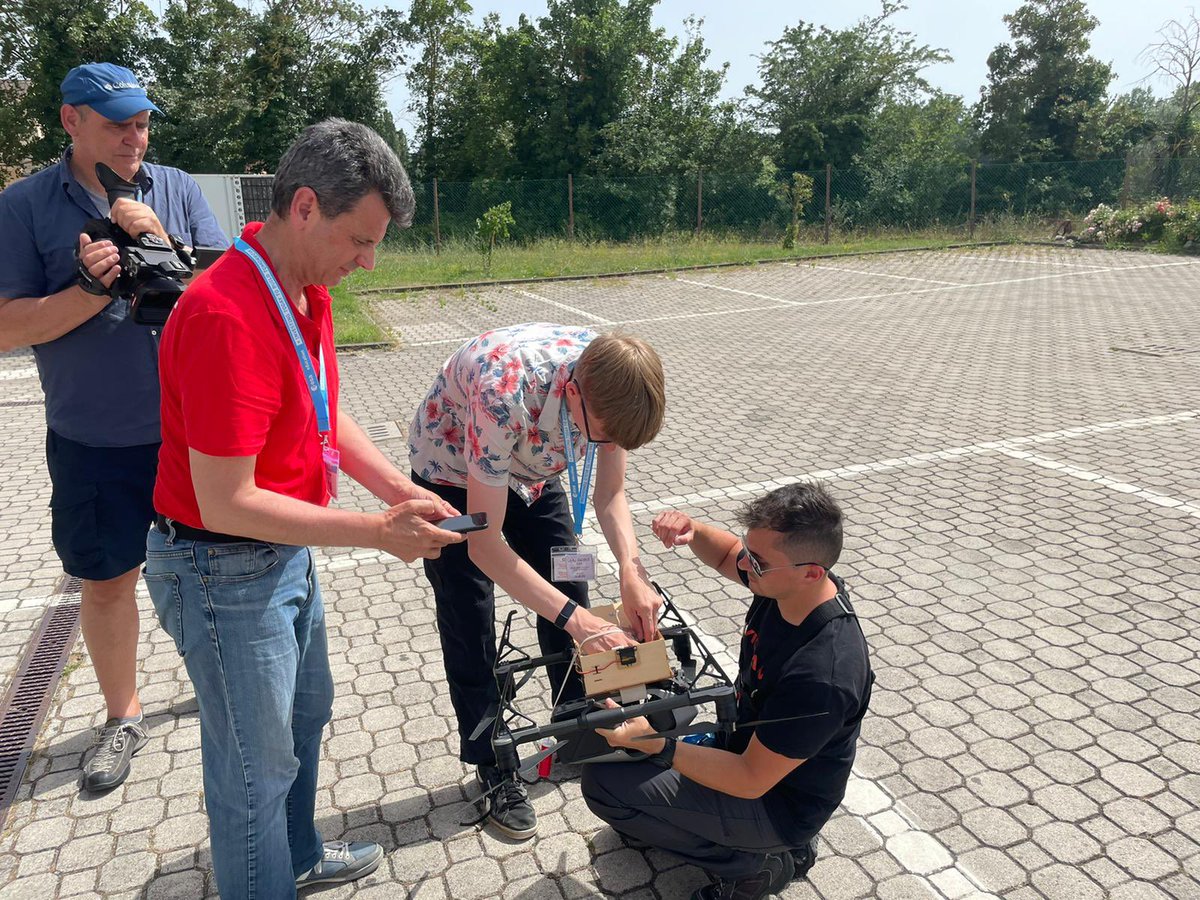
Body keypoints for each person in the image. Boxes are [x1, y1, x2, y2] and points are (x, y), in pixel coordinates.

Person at [144, 118, 463, 898]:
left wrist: (395, 487)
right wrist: (377, 534)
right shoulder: (227, 314)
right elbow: (226, 501)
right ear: (307, 208)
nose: (369, 260)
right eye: (362, 239)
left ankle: (294, 858)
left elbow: (323, 417)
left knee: (306, 712)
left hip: (278, 548)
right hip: (219, 564)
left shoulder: (302, 289)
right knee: (255, 768)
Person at [0, 62, 228, 793]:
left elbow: (226, 302)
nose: (135, 137)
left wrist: (161, 243)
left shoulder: (178, 190)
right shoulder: (24, 206)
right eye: (116, 124)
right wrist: (90, 291)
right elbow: (7, 327)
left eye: (142, 122)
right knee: (106, 583)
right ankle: (122, 715)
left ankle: (224, 685)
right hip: (94, 439)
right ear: (70, 121)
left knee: (215, 572)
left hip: (195, 435)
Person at [408, 322, 667, 839]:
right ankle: (491, 760)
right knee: (469, 612)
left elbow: (610, 494)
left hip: (534, 473)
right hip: (455, 473)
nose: (610, 445)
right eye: (606, 436)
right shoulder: (505, 390)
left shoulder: (612, 379)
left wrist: (632, 572)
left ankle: (578, 710)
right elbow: (486, 546)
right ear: (573, 392)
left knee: (572, 579)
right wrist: (581, 625)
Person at [582, 482, 873, 900]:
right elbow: (725, 554)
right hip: (743, 748)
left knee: (603, 783)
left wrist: (655, 745)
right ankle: (704, 827)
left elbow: (751, 778)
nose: (746, 565)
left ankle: (758, 865)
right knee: (617, 753)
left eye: (758, 561)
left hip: (777, 802)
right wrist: (692, 529)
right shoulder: (790, 585)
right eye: (750, 554)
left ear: (812, 571)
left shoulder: (822, 674)